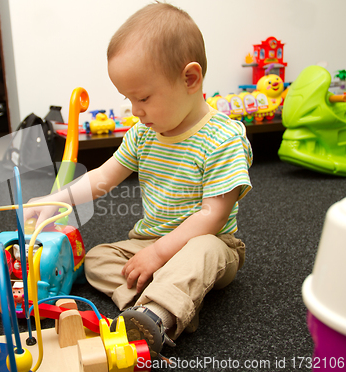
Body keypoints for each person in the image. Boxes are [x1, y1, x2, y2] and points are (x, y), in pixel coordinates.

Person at [23, 2, 252, 359]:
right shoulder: (144, 135)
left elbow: (214, 216)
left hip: (210, 244)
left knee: (203, 251)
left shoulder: (223, 139)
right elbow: (103, 177)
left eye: (143, 97)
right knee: (98, 258)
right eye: (128, 99)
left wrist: (161, 253)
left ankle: (157, 315)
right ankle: (165, 296)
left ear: (190, 79)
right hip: (149, 242)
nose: (135, 110)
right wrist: (58, 200)